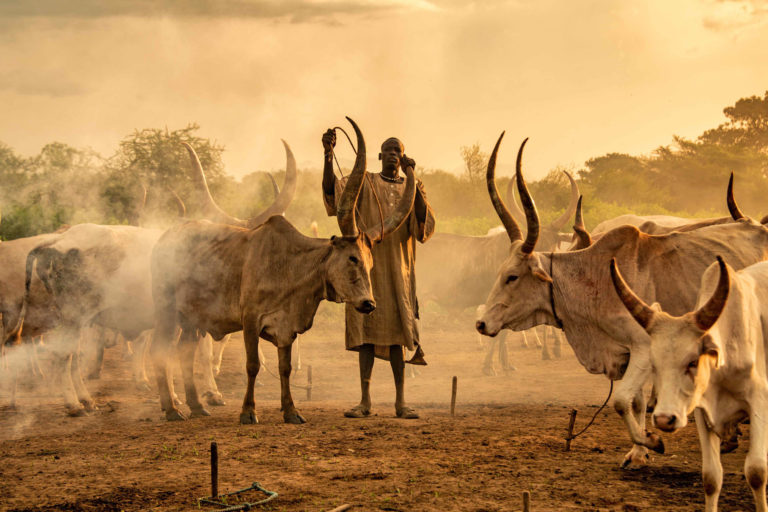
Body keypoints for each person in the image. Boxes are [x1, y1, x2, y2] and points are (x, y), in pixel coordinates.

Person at [322, 128, 435, 419]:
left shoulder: (413, 185)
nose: (394, 156)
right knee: (366, 337)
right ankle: (365, 402)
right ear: (379, 156)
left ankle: (401, 402)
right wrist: (328, 155)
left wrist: (412, 177)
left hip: (399, 270)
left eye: (399, 152)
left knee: (398, 337)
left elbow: (424, 225)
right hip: (365, 271)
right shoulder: (365, 183)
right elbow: (335, 197)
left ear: (402, 158)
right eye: (389, 151)